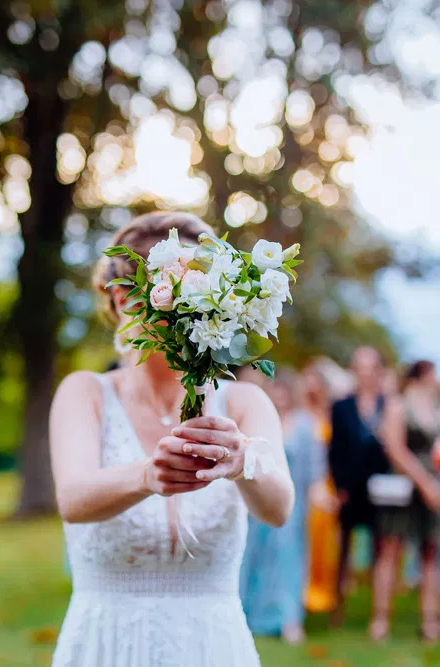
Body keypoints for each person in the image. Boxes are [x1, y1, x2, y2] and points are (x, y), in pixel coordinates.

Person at [49, 211, 295, 667]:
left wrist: (245, 463)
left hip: (212, 646)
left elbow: (279, 509)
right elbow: (72, 498)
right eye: (185, 294)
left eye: (209, 295)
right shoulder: (86, 393)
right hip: (107, 643)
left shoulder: (243, 402)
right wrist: (145, 475)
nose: (197, 310)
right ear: (124, 299)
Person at [240, 371, 326, 644]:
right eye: (275, 391)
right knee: (253, 558)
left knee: (288, 560)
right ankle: (250, 616)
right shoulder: (257, 423)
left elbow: (316, 469)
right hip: (257, 501)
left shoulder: (304, 425)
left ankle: (289, 619)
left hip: (293, 503)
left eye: (284, 391)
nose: (280, 397)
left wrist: (319, 494)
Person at [375, 360, 440, 643]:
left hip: (432, 486)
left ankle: (430, 621)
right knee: (391, 550)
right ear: (423, 375)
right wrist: (425, 482)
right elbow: (395, 448)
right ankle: (380, 620)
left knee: (430, 553)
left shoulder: (437, 408)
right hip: (404, 486)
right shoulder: (398, 405)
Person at [328, 346, 390, 629]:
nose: (365, 374)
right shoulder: (341, 407)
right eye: (359, 368)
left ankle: (379, 614)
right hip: (350, 489)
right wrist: (339, 487)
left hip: (383, 489)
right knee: (343, 551)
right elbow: (335, 451)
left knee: (382, 550)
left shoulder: (389, 406)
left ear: (378, 371)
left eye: (370, 368)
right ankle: (337, 608)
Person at [302, 359, 346, 615]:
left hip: (327, 482)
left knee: (326, 543)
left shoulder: (332, 413)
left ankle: (324, 594)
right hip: (305, 481)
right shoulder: (301, 415)